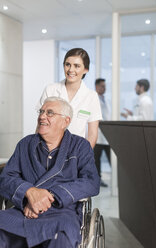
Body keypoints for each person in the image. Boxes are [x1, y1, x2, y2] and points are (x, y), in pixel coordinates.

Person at [0, 97, 100, 248]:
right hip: (25, 210)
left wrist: (49, 196)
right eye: (41, 112)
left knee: (61, 238)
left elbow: (91, 182)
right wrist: (29, 192)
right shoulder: (25, 144)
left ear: (65, 121)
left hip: (62, 212)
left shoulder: (80, 146)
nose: (42, 116)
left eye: (50, 113)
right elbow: (6, 178)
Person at [36, 48, 102, 148]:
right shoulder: (51, 90)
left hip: (76, 152)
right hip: (48, 149)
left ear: (86, 70)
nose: (71, 70)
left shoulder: (91, 96)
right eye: (68, 64)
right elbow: (40, 124)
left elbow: (92, 134)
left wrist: (84, 156)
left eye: (77, 66)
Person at [94, 78, 111, 187]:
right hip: (98, 135)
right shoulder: (93, 99)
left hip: (107, 135)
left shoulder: (105, 99)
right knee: (96, 160)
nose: (104, 88)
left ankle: (116, 179)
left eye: (105, 86)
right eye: (102, 86)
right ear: (96, 86)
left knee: (111, 158)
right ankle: (98, 180)